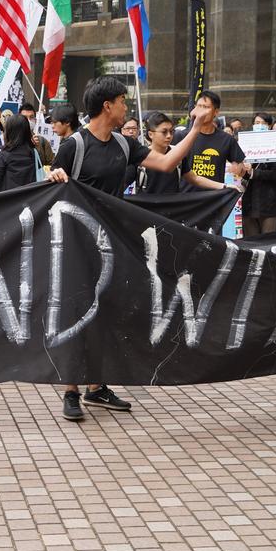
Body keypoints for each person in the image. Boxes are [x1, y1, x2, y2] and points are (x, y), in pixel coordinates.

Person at [46, 76, 212, 421]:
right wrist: (52, 178)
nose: (126, 108)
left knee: (106, 310)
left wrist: (195, 127)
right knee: (77, 313)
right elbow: (50, 190)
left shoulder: (124, 145)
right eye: (123, 101)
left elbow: (166, 163)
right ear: (107, 106)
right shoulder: (74, 145)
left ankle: (96, 387)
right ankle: (71, 390)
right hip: (76, 243)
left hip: (112, 242)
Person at [180, 92, 244, 192]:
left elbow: (240, 167)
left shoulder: (227, 139)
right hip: (185, 197)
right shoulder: (181, 136)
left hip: (214, 198)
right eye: (199, 106)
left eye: (205, 107)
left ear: (216, 112)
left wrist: (239, 170)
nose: (201, 111)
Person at [240, 113, 276, 236]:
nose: (259, 126)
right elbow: (240, 173)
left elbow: (275, 173)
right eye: (257, 123)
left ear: (270, 126)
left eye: (263, 124)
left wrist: (254, 172)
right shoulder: (245, 144)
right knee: (250, 240)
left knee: (267, 239)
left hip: (268, 200)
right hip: (249, 199)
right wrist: (242, 169)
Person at [137, 112, 182, 194]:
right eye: (164, 132)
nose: (169, 136)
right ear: (150, 134)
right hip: (145, 206)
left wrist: (214, 186)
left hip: (174, 205)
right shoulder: (140, 155)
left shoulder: (177, 155)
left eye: (171, 131)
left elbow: (194, 178)